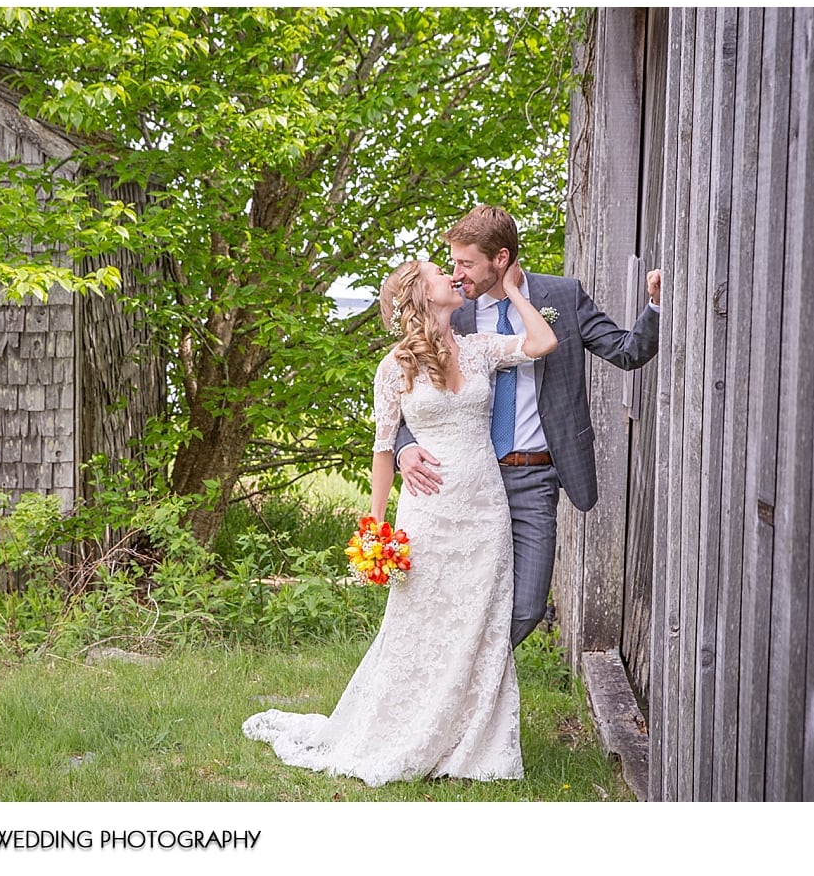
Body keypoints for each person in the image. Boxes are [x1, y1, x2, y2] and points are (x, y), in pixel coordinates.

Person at [242, 257, 557, 787]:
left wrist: (511, 290)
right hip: (429, 514)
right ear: (422, 295)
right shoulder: (396, 367)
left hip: (484, 512)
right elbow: (384, 450)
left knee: (480, 622)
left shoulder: (479, 349)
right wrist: (375, 526)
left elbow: (542, 342)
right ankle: (408, 728)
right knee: (421, 624)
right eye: (441, 275)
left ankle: (468, 744)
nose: (453, 278)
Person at [396, 205, 661, 647]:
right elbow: (404, 391)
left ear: (501, 259)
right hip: (466, 480)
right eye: (454, 264)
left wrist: (656, 303)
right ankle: (454, 691)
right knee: (456, 593)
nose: (457, 274)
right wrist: (404, 447)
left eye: (466, 263)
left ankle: (468, 678)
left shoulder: (562, 295)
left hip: (534, 476)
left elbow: (626, 351)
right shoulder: (453, 311)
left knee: (527, 607)